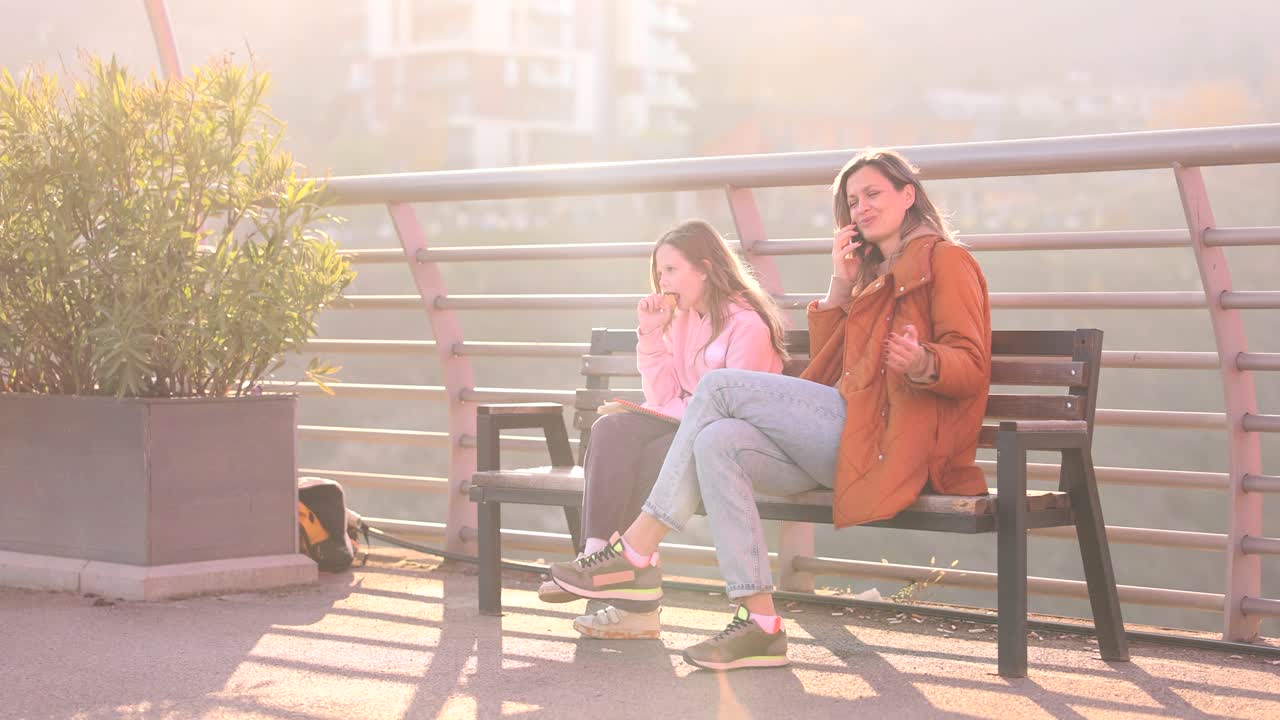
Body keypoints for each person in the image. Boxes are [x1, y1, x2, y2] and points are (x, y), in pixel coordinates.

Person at [548, 149, 992, 671]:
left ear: (908, 194)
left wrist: (922, 360)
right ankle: (759, 624)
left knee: (717, 389)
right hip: (849, 433)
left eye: (874, 193)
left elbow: (972, 365)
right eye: (853, 201)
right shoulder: (872, 272)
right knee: (718, 442)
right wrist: (841, 283)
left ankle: (636, 550)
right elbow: (833, 366)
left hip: (890, 444)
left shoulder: (947, 261)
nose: (862, 208)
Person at [539, 218, 788, 640]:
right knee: (610, 430)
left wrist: (681, 414)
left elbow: (736, 406)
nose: (662, 281)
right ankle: (597, 556)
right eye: (658, 272)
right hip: (683, 423)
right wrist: (652, 334)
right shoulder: (685, 319)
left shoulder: (747, 326)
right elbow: (661, 395)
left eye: (671, 270)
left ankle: (635, 599)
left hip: (730, 437)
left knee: (653, 456)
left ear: (705, 269)